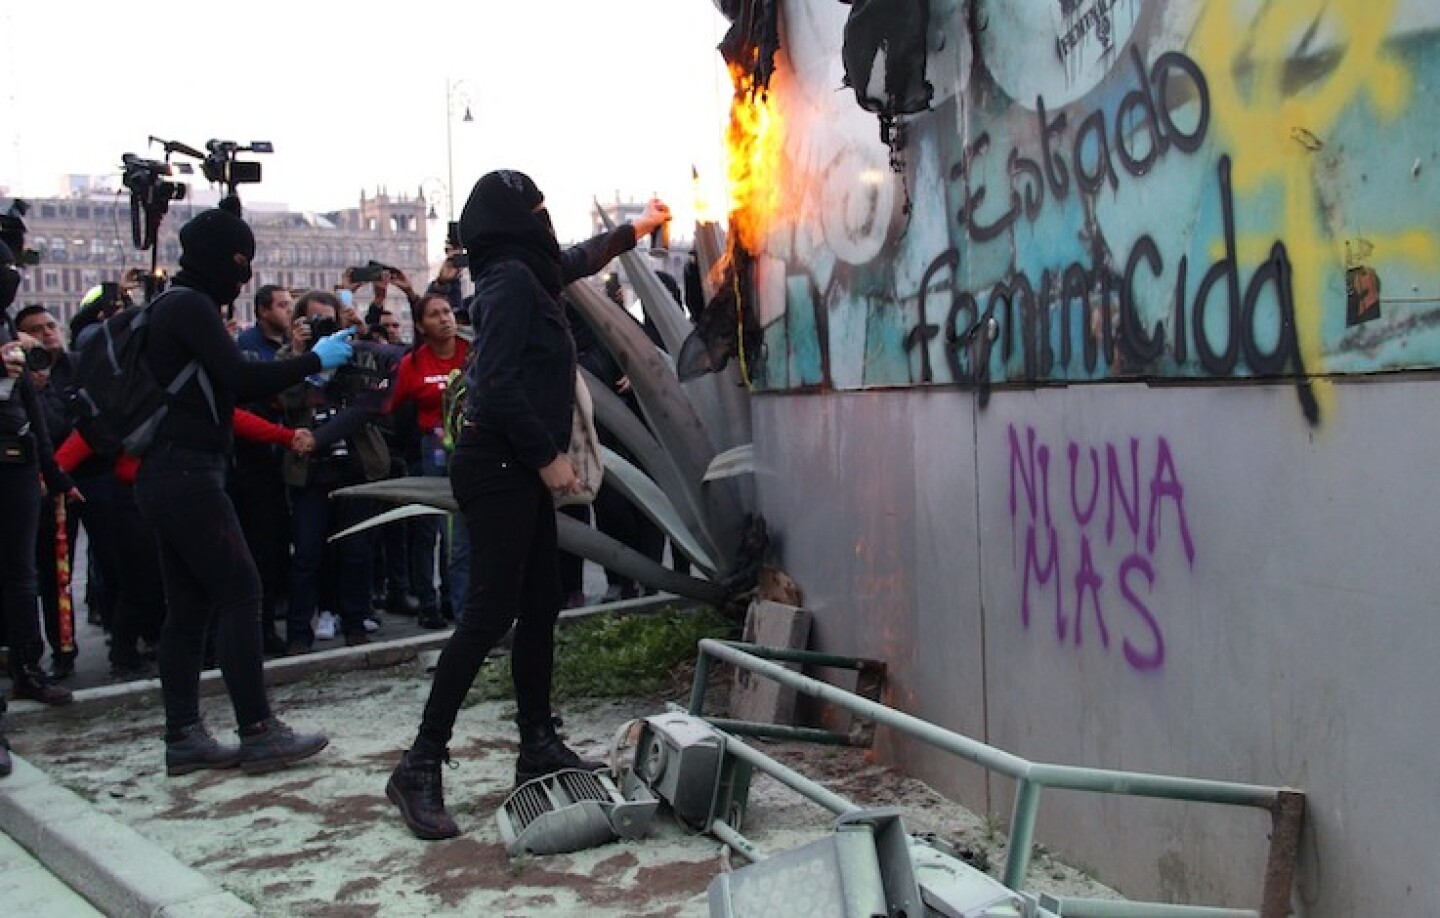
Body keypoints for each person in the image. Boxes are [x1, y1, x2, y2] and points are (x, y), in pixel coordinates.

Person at [385, 170, 671, 840]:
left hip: (518, 468)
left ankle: (537, 742)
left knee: (540, 606)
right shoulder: (511, 285)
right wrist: (550, 460)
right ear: (514, 222)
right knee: (488, 615)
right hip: (500, 466)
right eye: (537, 210)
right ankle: (420, 764)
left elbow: (576, 259)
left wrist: (638, 226)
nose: (547, 220)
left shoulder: (529, 271)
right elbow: (500, 387)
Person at [135, 205, 355, 777]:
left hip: (167, 472)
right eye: (239, 264)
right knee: (240, 590)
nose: (242, 277)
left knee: (188, 608)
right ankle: (257, 730)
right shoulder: (189, 306)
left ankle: (183, 735)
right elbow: (238, 378)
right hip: (188, 472)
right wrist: (313, 359)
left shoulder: (169, 305)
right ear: (220, 260)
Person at [276, 290, 396, 653]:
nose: (322, 328)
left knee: (357, 550)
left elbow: (375, 395)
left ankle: (356, 623)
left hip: (355, 463)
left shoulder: (357, 353)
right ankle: (299, 632)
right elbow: (284, 401)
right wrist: (302, 358)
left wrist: (357, 338)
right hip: (309, 470)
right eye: (314, 321)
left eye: (328, 320)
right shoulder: (288, 359)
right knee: (307, 554)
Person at [0, 239, 76, 707]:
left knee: (23, 574)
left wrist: (55, 472)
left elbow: (29, 407)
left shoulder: (7, 328)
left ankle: (28, 667)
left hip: (18, 457)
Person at [386, 292, 471, 630]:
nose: (445, 319)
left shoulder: (470, 352)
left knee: (460, 534)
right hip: (432, 449)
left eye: (447, 312)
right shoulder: (413, 364)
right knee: (429, 529)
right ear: (421, 325)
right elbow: (389, 405)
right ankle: (428, 602)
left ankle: (458, 602)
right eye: (435, 315)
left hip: (469, 447)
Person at [15, 304, 83, 677]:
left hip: (70, 482)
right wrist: (31, 388)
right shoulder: (17, 374)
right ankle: (26, 652)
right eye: (35, 330)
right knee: (28, 571)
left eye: (50, 325)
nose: (47, 334)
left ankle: (64, 648)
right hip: (29, 482)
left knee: (60, 572)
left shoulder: (76, 367)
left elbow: (79, 420)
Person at [234, 284, 299, 654]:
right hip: (253, 462)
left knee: (278, 547)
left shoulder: (293, 346)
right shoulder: (245, 349)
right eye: (282, 305)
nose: (289, 312)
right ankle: (259, 630)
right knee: (258, 547)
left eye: (292, 305)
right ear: (262, 311)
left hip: (287, 460)